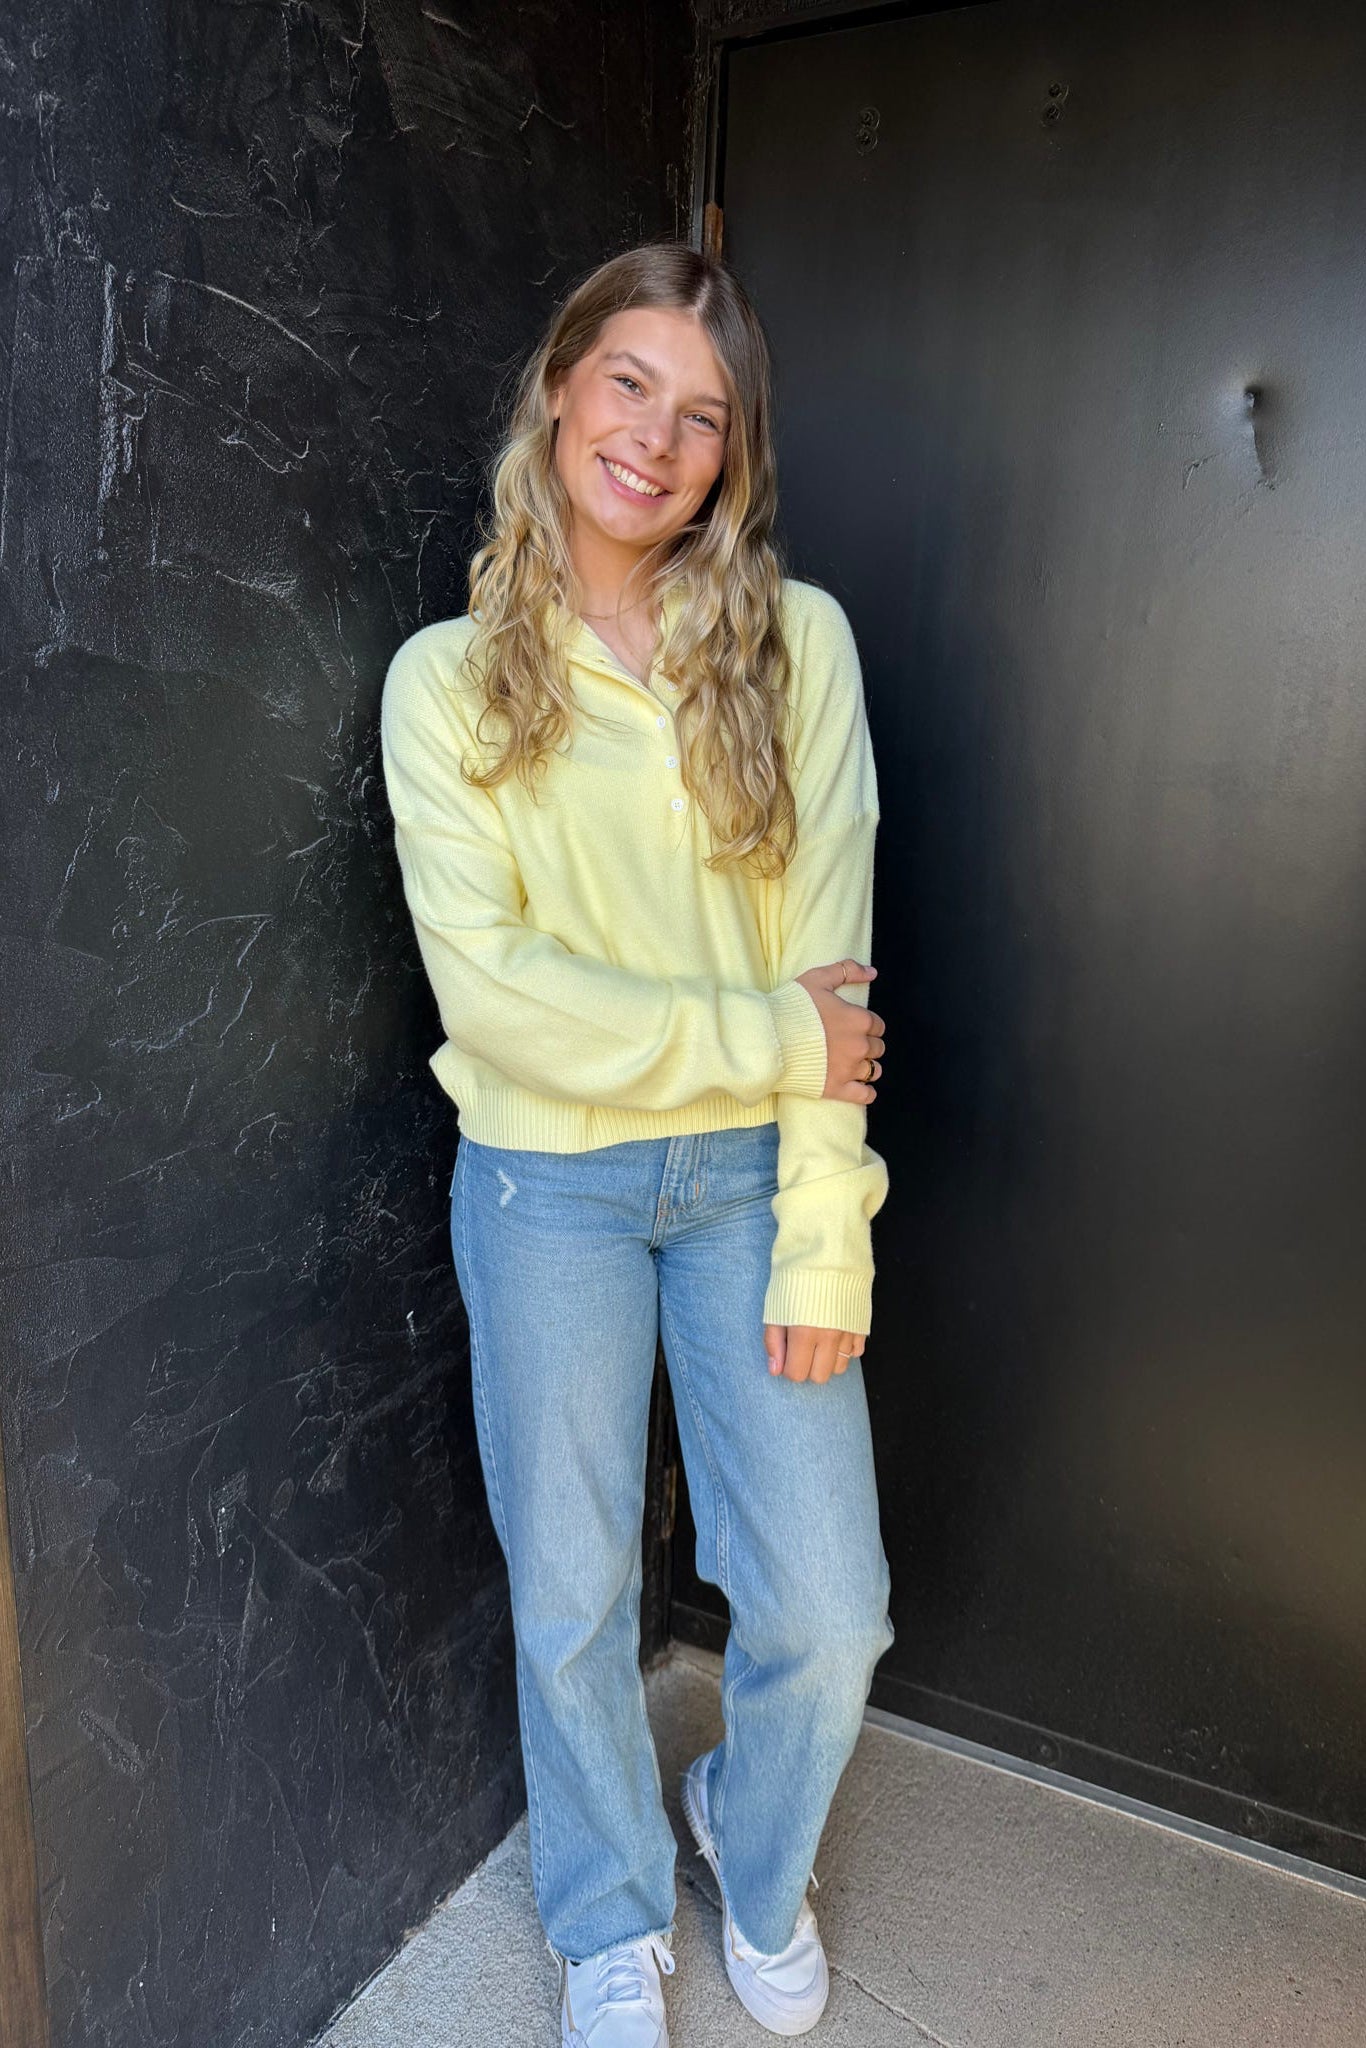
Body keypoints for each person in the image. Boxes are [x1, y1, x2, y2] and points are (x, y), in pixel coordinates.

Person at [380, 242, 895, 2046]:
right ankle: (605, 1914)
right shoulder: (445, 683)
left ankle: (748, 1850)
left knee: (829, 1614)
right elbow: (506, 1003)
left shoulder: (791, 645)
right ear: (556, 389)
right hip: (544, 1189)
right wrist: (768, 1036)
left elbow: (837, 955)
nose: (656, 439)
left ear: (731, 459)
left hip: (756, 1186)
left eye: (704, 416)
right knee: (575, 1589)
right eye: (628, 386)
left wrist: (827, 1234)